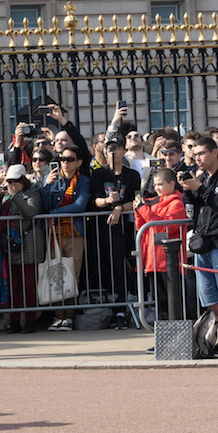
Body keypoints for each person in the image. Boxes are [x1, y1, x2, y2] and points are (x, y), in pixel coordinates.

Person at [179, 137, 218, 350]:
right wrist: (189, 190)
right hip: (202, 243)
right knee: (208, 295)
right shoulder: (203, 177)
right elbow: (196, 209)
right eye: (194, 154)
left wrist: (199, 187)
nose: (197, 158)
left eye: (201, 153)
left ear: (215, 152)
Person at [90, 137, 141, 321]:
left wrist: (119, 207)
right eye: (109, 148)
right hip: (101, 228)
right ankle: (107, 307)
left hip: (122, 228)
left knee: (121, 266)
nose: (113, 152)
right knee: (103, 266)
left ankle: (120, 307)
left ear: (123, 151)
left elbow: (136, 201)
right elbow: (94, 199)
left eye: (117, 148)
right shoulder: (98, 174)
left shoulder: (132, 175)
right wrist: (107, 201)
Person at [41, 146, 91, 330]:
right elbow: (44, 205)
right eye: (62, 159)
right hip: (55, 233)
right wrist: (46, 185)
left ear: (78, 162)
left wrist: (55, 212)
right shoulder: (53, 180)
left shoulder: (83, 181)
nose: (65, 162)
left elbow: (80, 205)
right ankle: (58, 316)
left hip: (75, 233)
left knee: (72, 274)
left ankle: (68, 316)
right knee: (56, 273)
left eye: (70, 159)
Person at [134, 170, 189, 327]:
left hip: (170, 263)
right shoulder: (155, 203)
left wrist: (143, 209)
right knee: (161, 304)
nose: (157, 188)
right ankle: (164, 338)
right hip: (154, 262)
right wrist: (139, 210)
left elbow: (162, 227)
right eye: (155, 184)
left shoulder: (177, 204)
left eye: (160, 184)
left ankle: (175, 338)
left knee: (173, 303)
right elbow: (143, 227)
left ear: (171, 184)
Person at [0, 164, 46, 332]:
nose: (13, 184)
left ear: (23, 180)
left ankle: (31, 319)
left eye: (16, 181)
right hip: (12, 244)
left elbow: (30, 212)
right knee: (13, 286)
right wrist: (2, 196)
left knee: (28, 285)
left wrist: (15, 196)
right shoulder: (7, 196)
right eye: (9, 181)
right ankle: (15, 319)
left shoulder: (33, 193)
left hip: (29, 244)